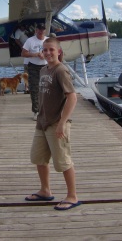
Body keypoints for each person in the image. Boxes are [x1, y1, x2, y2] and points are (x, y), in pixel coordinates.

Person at [25, 37, 81, 210]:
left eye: (51, 49)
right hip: (42, 123)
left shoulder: (60, 71)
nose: (48, 53)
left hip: (57, 123)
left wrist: (62, 123)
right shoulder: (43, 70)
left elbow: (72, 97)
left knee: (63, 161)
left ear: (59, 51)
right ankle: (45, 190)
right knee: (39, 158)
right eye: (45, 49)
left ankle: (72, 196)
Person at [21, 23, 48, 120]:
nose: (41, 31)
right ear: (36, 30)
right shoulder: (30, 41)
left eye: (43, 29)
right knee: (34, 89)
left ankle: (46, 110)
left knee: (47, 88)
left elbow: (54, 52)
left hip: (46, 66)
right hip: (33, 67)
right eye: (39, 29)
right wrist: (36, 54)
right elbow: (23, 53)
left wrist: (45, 55)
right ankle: (36, 111)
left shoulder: (47, 40)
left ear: (45, 30)